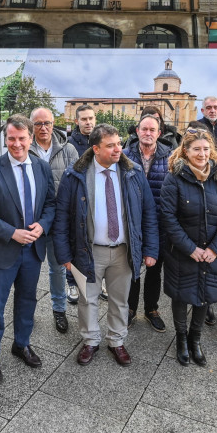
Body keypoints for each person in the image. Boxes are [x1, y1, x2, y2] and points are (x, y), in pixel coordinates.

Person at [54, 123, 159, 367]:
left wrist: (150, 249)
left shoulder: (133, 173)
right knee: (87, 298)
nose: (117, 150)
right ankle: (90, 340)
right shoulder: (75, 176)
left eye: (119, 144)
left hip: (124, 251)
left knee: (120, 300)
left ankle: (116, 340)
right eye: (110, 145)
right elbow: (62, 218)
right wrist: (64, 256)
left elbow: (149, 213)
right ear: (95, 148)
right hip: (87, 250)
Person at [0, 115, 56, 386]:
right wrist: (12, 233)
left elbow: (51, 205)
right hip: (1, 252)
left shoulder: (43, 168)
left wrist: (42, 226)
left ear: (31, 138)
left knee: (27, 302)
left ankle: (21, 344)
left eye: (22, 138)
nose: (16, 144)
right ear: (5, 139)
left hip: (32, 251)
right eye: (11, 139)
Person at [161, 129, 217, 366]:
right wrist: (190, 249)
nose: (202, 154)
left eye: (206, 149)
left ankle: (195, 339)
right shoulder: (174, 178)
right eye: (196, 149)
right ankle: (181, 339)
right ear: (186, 151)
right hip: (182, 253)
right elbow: (168, 217)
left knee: (204, 296)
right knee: (181, 294)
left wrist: (215, 248)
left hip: (213, 252)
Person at [29, 107, 78, 333]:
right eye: (38, 124)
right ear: (32, 126)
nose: (43, 128)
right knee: (28, 269)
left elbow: (77, 186)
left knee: (57, 269)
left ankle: (59, 310)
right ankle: (26, 310)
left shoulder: (69, 150)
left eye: (47, 123)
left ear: (53, 123)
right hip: (31, 222)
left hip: (58, 222)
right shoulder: (24, 150)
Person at [124, 114, 171, 332]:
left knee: (154, 269)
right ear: (137, 131)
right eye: (144, 129)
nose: (148, 133)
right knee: (131, 267)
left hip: (159, 222)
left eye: (153, 130)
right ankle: (130, 308)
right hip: (131, 222)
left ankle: (151, 309)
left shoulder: (169, 157)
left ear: (159, 133)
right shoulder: (124, 155)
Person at [65, 104, 97, 304]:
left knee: (96, 243)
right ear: (77, 121)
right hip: (77, 201)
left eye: (91, 118)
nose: (88, 122)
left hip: (97, 199)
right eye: (84, 119)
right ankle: (72, 282)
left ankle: (97, 280)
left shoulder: (100, 140)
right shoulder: (70, 144)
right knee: (75, 244)